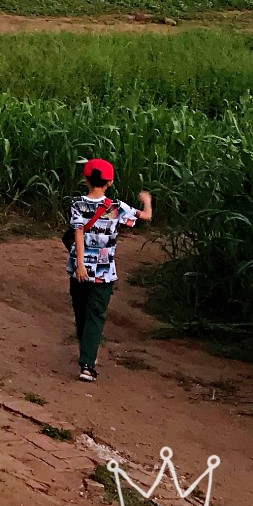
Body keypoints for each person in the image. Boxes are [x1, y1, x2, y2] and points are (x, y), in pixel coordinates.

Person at [66, 159, 152, 382]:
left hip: (79, 268)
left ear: (85, 180)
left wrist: (81, 265)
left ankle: (87, 355)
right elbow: (145, 217)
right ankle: (87, 364)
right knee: (96, 314)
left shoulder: (77, 204)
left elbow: (77, 233)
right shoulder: (116, 207)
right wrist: (147, 201)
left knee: (81, 311)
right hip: (104, 271)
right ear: (110, 182)